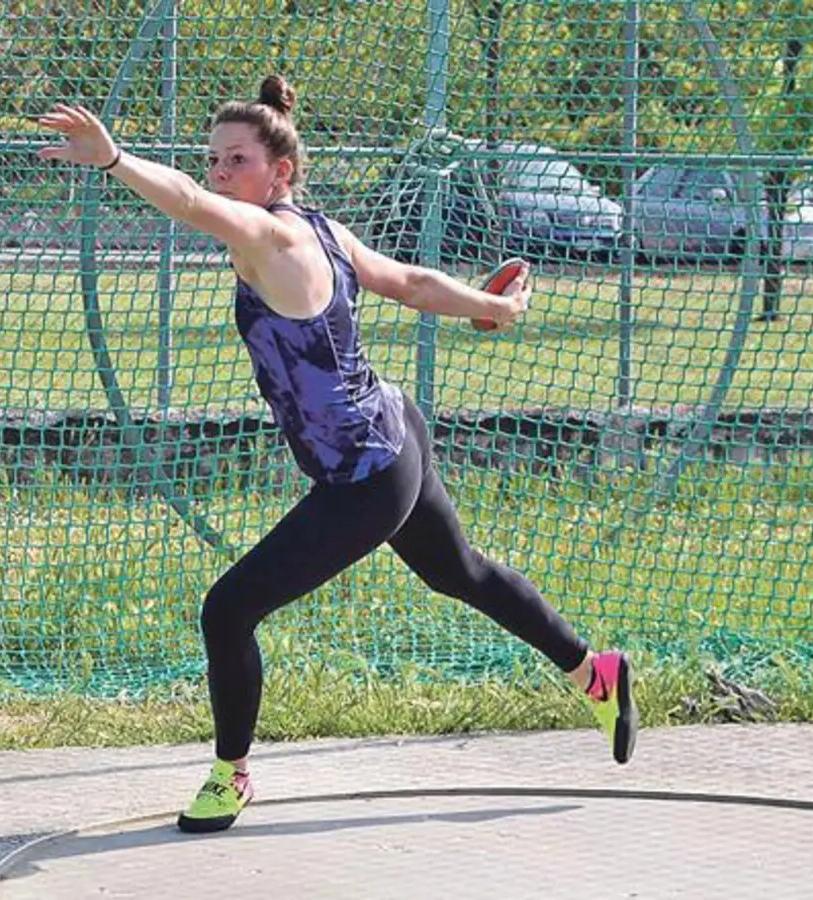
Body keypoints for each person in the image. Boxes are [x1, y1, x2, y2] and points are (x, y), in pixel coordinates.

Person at [36, 75, 638, 835]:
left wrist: (112, 158)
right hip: (397, 431)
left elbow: (187, 201)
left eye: (236, 161)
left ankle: (231, 776)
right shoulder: (321, 228)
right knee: (463, 573)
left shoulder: (276, 236)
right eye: (215, 159)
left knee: (227, 611)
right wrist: (496, 307)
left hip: (365, 476)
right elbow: (412, 284)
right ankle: (596, 673)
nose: (221, 173)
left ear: (278, 171)